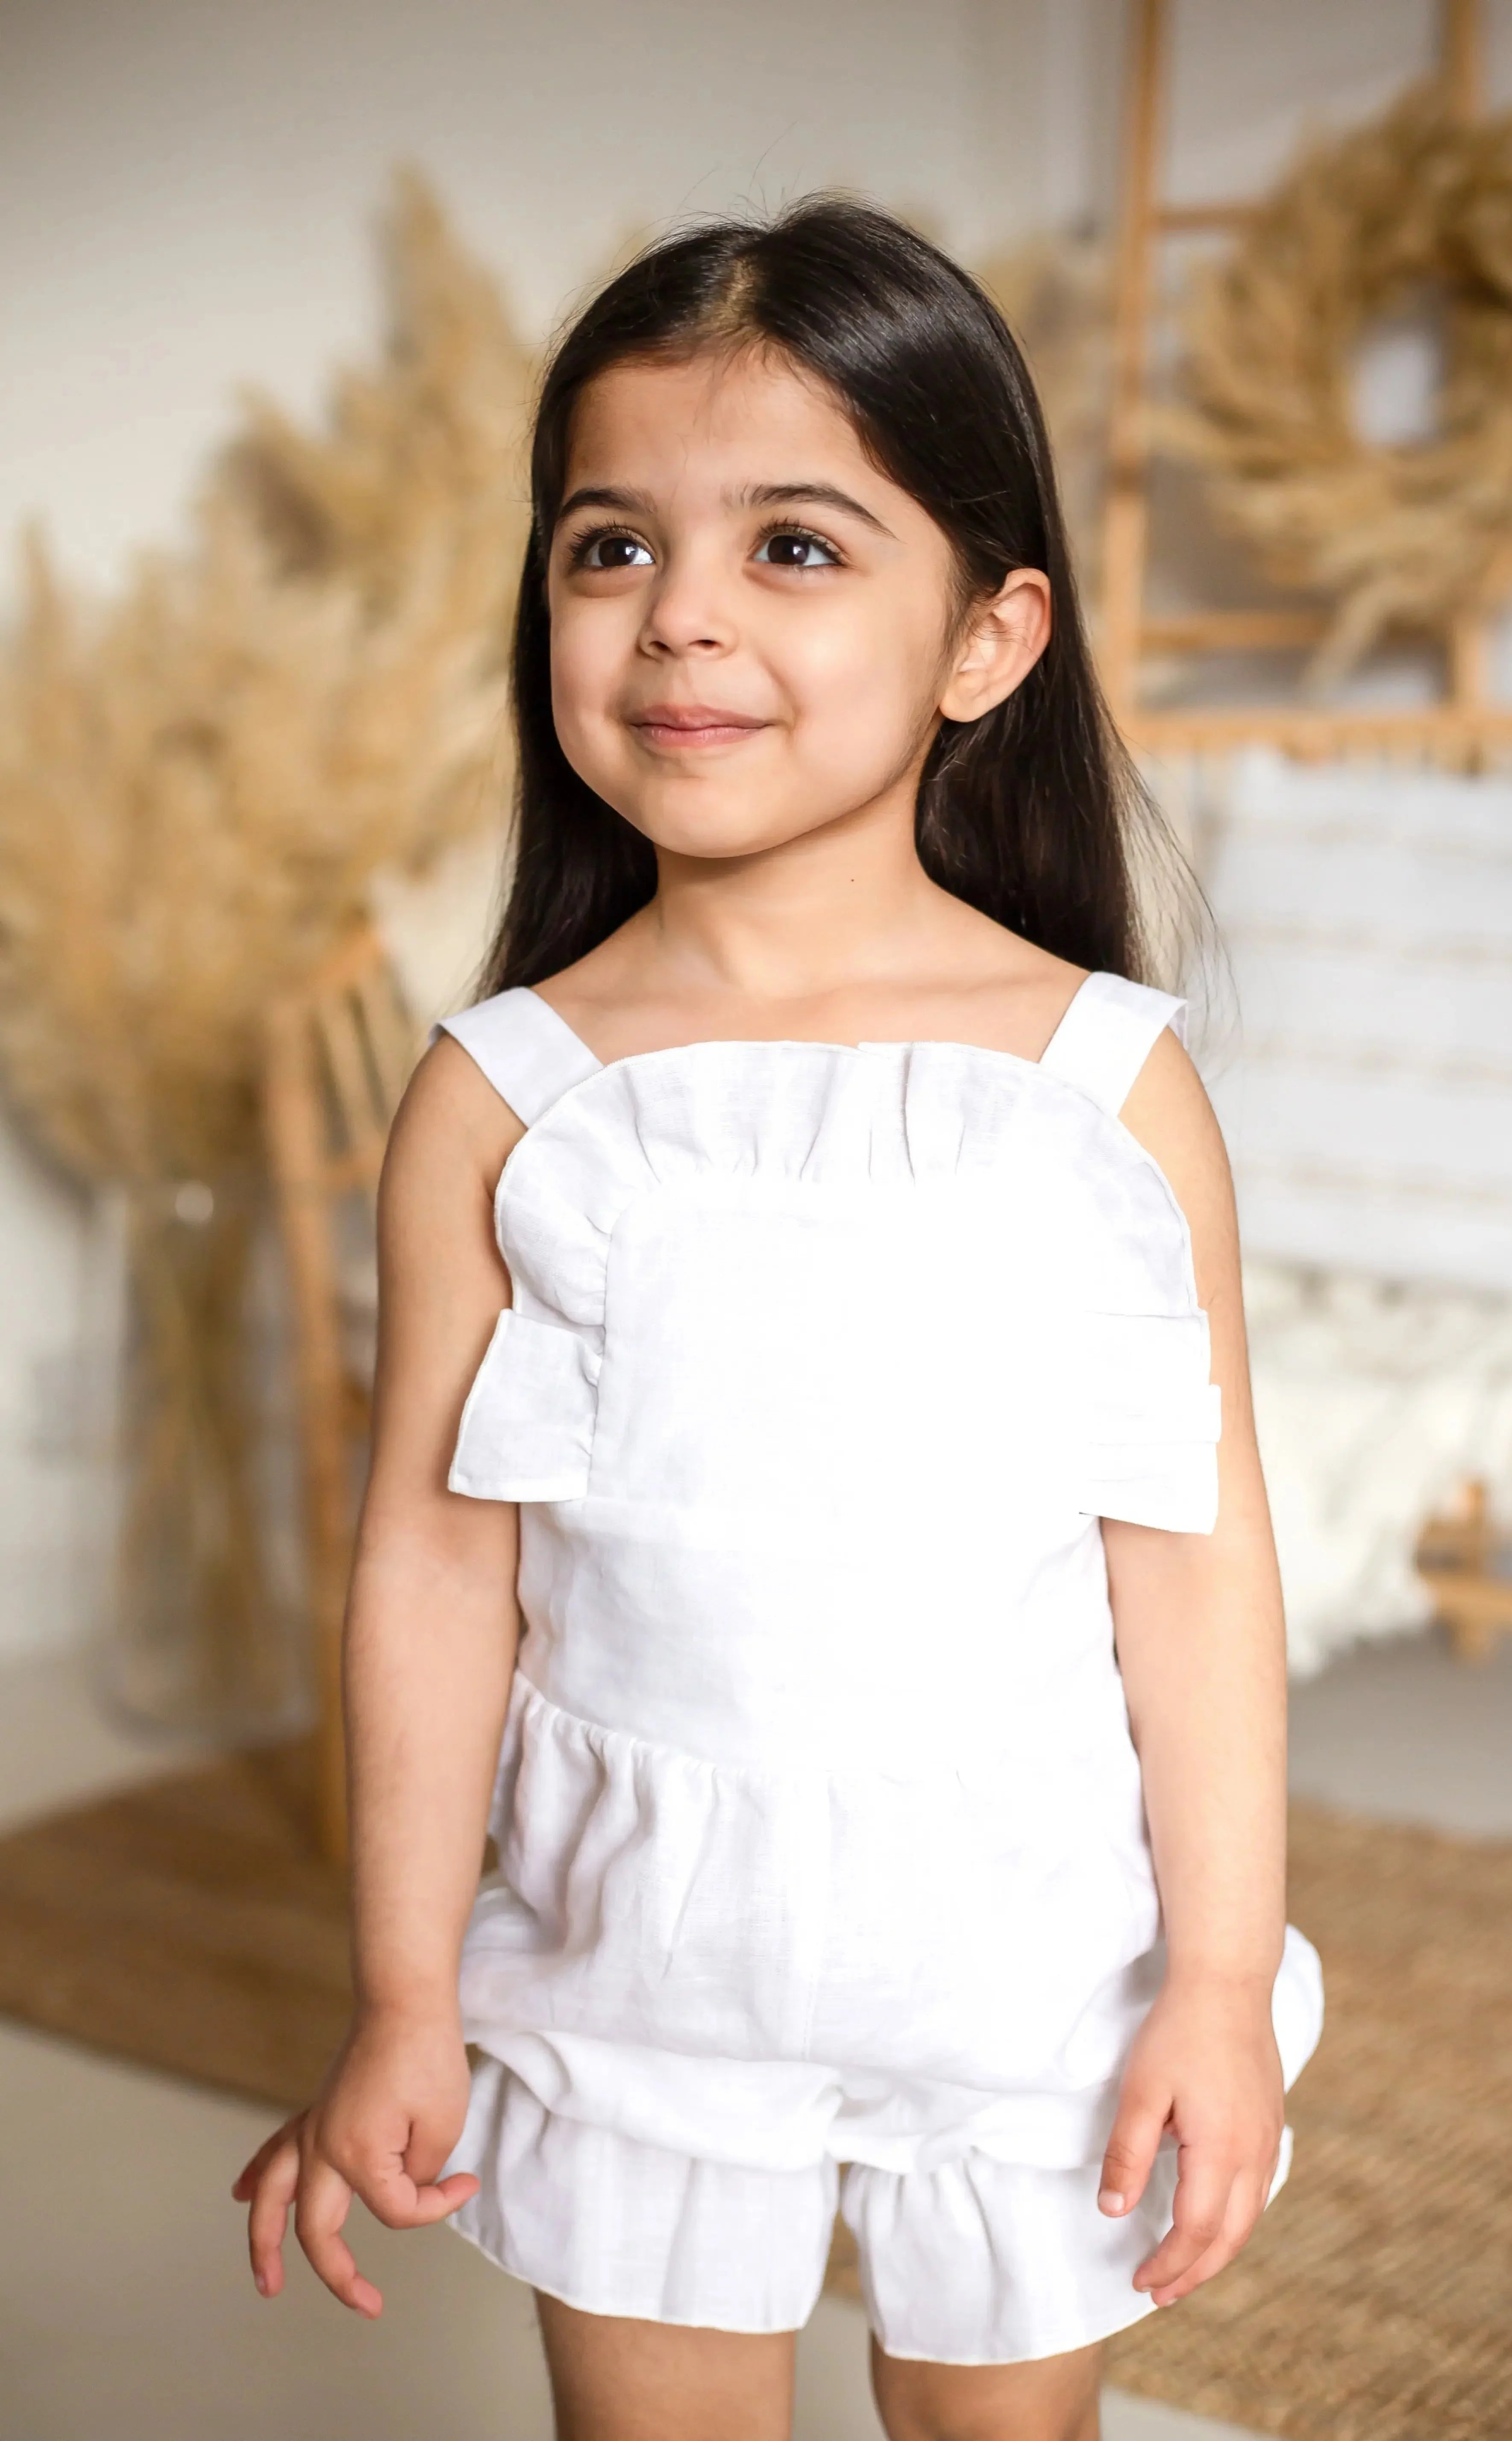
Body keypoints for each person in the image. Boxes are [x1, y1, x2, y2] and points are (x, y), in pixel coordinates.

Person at [234, 194, 1322, 2441]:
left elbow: (1196, 1553)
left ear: (989, 638)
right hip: (638, 1963)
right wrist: (401, 1988)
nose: (681, 619)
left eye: (795, 550)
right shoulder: (506, 1098)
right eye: (608, 547)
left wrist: (1216, 1977)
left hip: (1024, 1952)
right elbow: (439, 1566)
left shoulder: (1103, 1086)